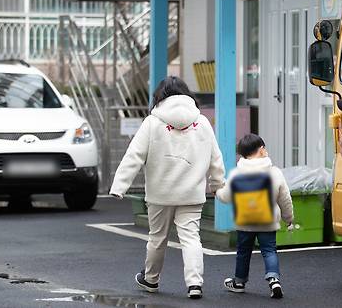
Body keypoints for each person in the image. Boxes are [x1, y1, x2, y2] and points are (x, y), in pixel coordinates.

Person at [109, 76, 225, 300]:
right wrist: (218, 184)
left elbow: (134, 156)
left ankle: (151, 279)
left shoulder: (152, 122)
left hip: (159, 194)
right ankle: (194, 284)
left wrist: (119, 186)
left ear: (160, 97)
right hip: (192, 193)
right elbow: (215, 157)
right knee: (191, 238)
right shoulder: (201, 122)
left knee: (157, 237)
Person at [216, 134, 294, 299]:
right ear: (260, 150)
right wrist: (289, 218)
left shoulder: (237, 174)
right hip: (267, 221)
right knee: (269, 250)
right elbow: (285, 198)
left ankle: (239, 282)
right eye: (264, 147)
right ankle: (274, 280)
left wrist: (216, 189)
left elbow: (225, 196)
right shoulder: (274, 173)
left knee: (243, 252)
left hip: (245, 221)